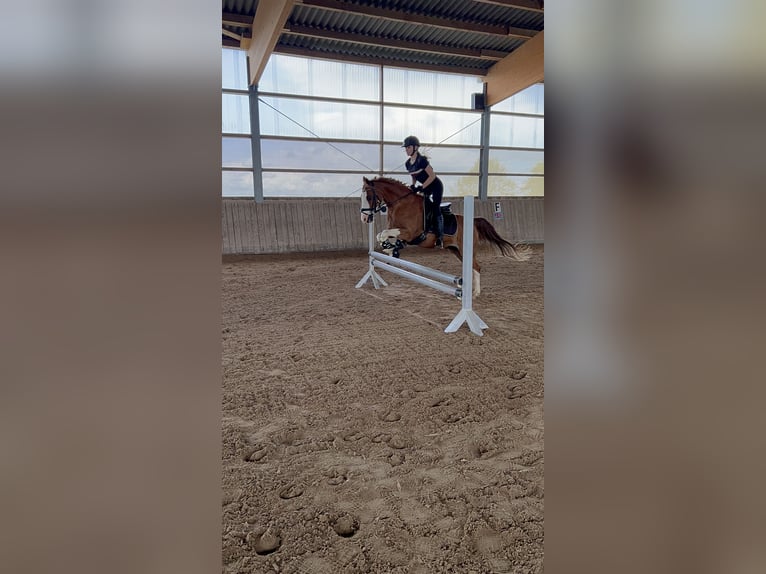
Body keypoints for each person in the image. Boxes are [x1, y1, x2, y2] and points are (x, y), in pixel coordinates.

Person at [402, 135, 444, 247]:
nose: (406, 150)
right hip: (425, 186)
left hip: (435, 186)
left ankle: (440, 236)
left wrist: (421, 187)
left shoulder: (422, 160)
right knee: (421, 205)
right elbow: (414, 176)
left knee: (435, 208)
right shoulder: (407, 164)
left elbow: (432, 176)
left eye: (408, 147)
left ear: (415, 148)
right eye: (405, 148)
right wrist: (413, 185)